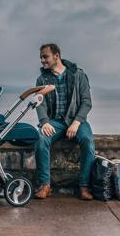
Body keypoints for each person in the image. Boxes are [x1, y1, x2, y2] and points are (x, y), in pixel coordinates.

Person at [34, 43, 95, 200]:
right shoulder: (42, 79)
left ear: (56, 56)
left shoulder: (78, 75)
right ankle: (45, 185)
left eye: (45, 56)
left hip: (76, 121)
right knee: (41, 140)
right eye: (41, 57)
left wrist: (76, 123)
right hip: (55, 122)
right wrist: (44, 122)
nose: (42, 60)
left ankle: (84, 186)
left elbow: (86, 102)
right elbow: (39, 102)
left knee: (88, 141)